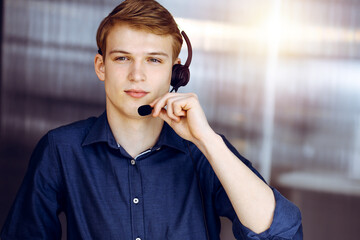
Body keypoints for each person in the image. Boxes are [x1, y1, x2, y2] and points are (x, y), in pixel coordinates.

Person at [1, 0, 302, 239]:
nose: (137, 75)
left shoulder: (204, 150)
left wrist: (208, 141)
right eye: (122, 58)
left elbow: (280, 233)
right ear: (101, 66)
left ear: (175, 73)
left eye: (154, 60)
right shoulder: (60, 149)